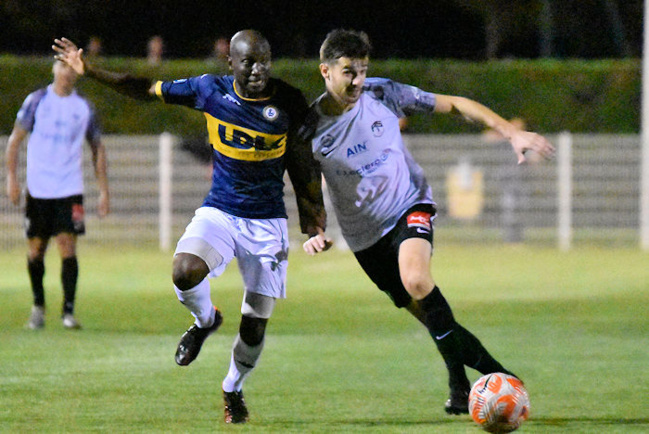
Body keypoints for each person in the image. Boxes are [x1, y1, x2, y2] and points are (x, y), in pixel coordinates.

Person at [53, 30, 325, 424]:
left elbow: (302, 162)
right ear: (231, 62)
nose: (257, 70)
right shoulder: (209, 90)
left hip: (267, 223)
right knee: (184, 270)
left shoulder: (289, 101)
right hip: (221, 212)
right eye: (248, 61)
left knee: (254, 327)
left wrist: (314, 221)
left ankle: (233, 387)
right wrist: (89, 69)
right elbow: (144, 88)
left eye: (264, 60)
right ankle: (206, 321)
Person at [301, 29, 555, 415]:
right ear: (326, 71)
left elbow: (453, 104)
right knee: (432, 319)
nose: (357, 81)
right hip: (364, 237)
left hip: (408, 204)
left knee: (417, 279)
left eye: (363, 71)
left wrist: (511, 132)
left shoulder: (382, 93)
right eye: (349, 72)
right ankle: (503, 379)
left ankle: (459, 386)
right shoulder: (310, 127)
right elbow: (306, 180)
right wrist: (314, 227)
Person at [5, 60, 110, 330]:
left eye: (71, 68)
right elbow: (15, 140)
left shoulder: (83, 107)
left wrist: (103, 191)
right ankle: (38, 305)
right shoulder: (37, 101)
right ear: (54, 70)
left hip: (69, 188)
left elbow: (98, 148)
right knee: (36, 250)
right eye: (62, 67)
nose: (67, 72)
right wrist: (12, 179)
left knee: (67, 246)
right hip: (38, 188)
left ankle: (68, 311)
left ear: (77, 72)